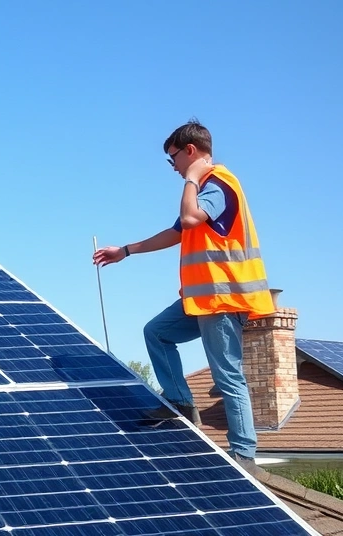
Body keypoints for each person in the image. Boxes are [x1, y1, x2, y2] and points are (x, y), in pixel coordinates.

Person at [92, 118, 274, 468]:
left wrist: (192, 176)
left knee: (227, 374)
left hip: (222, 298)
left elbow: (189, 218)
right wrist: (126, 251)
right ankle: (180, 403)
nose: (173, 167)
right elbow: (177, 231)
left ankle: (244, 453)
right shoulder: (206, 186)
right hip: (200, 298)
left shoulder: (218, 183)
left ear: (191, 151)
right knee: (157, 332)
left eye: (173, 157)